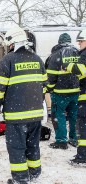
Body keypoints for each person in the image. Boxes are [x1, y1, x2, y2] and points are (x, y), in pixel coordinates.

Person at [0, 27, 47, 184]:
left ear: (12, 43)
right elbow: (44, 86)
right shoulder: (37, 59)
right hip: (36, 113)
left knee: (16, 147)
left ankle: (21, 179)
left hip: (16, 115)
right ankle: (34, 172)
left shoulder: (7, 61)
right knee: (33, 144)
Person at [47, 33, 80, 149]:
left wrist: (49, 88)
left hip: (60, 92)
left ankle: (61, 141)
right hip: (77, 91)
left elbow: (51, 75)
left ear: (59, 42)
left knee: (59, 115)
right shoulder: (78, 52)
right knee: (74, 116)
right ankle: (74, 138)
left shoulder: (56, 54)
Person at [62, 29, 86, 164]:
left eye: (81, 41)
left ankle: (82, 157)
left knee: (83, 129)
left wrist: (69, 66)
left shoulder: (85, 55)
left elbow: (82, 71)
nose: (79, 43)